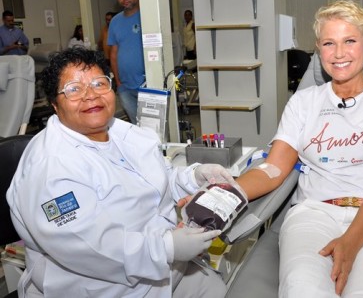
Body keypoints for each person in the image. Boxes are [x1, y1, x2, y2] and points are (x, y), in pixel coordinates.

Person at [235, 0, 363, 297]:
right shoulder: (303, 101)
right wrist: (225, 193)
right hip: (313, 214)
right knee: (303, 291)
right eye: (328, 43)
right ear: (318, 48)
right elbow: (273, 169)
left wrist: (349, 242)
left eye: (350, 41)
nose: (338, 54)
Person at [6, 48, 229, 297]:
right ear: (55, 105)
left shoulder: (124, 133)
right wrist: (166, 248)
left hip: (167, 270)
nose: (90, 95)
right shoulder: (50, 167)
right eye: (74, 89)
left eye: (99, 83)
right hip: (105, 288)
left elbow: (158, 179)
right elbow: (88, 247)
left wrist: (193, 176)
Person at [108, 0, 145, 124]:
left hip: (147, 86)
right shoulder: (115, 21)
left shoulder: (147, 16)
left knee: (153, 128)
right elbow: (113, 54)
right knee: (136, 128)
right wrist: (118, 83)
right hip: (125, 88)